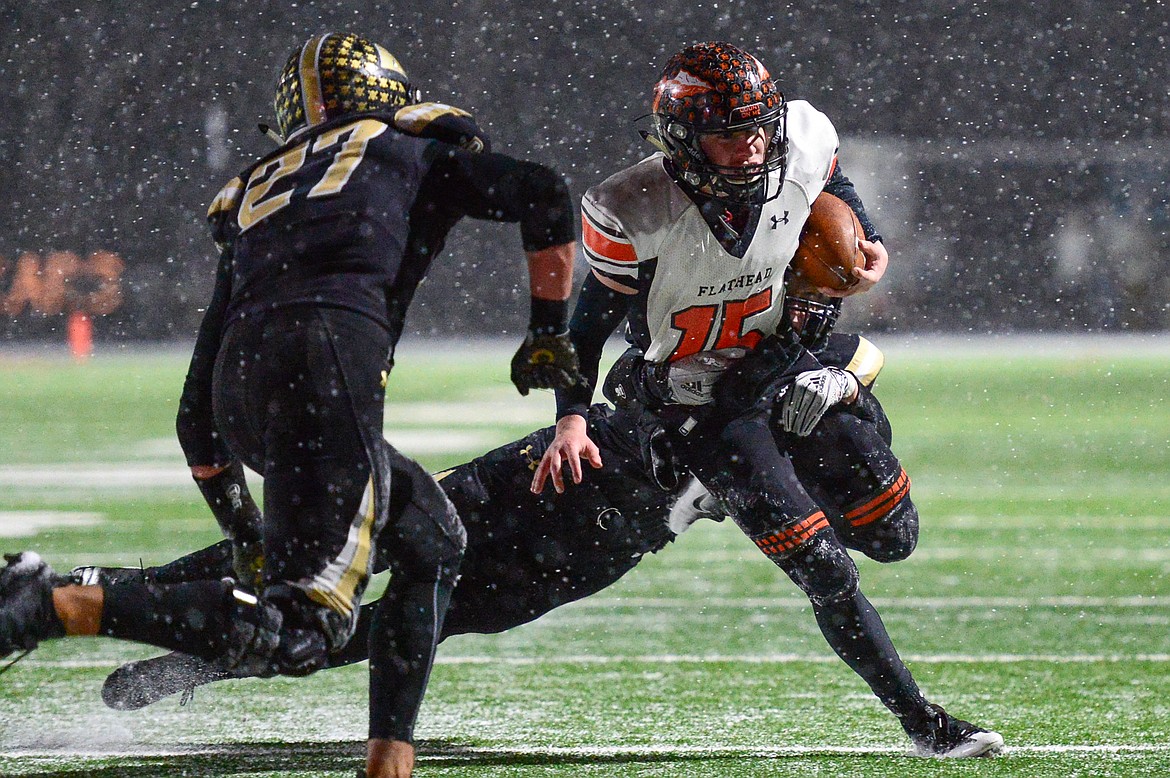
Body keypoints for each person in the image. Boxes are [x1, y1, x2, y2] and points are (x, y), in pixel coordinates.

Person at [0, 31, 584, 778]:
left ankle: (389, 760)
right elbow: (545, 193)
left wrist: (243, 525)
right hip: (327, 367)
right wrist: (546, 333)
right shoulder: (408, 146)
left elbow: (194, 417)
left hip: (246, 388)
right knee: (301, 632)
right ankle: (61, 600)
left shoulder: (255, 194)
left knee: (432, 539)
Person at [531, 41, 1003, 758]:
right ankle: (926, 726)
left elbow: (832, 186)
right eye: (728, 133)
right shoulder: (634, 208)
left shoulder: (803, 139)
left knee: (891, 536)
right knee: (824, 568)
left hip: (782, 360)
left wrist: (862, 234)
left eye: (759, 127)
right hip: (698, 396)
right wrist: (569, 416)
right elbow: (586, 325)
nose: (752, 147)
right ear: (684, 141)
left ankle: (735, 483)